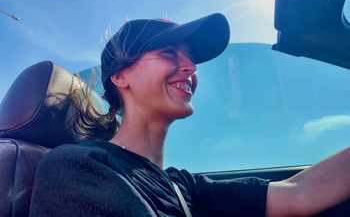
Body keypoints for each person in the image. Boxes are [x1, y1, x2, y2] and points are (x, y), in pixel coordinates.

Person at [29, 13, 350, 217]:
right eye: (169, 53)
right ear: (120, 76)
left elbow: (298, 195)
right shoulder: (76, 166)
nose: (191, 67)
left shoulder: (182, 186)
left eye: (191, 57)